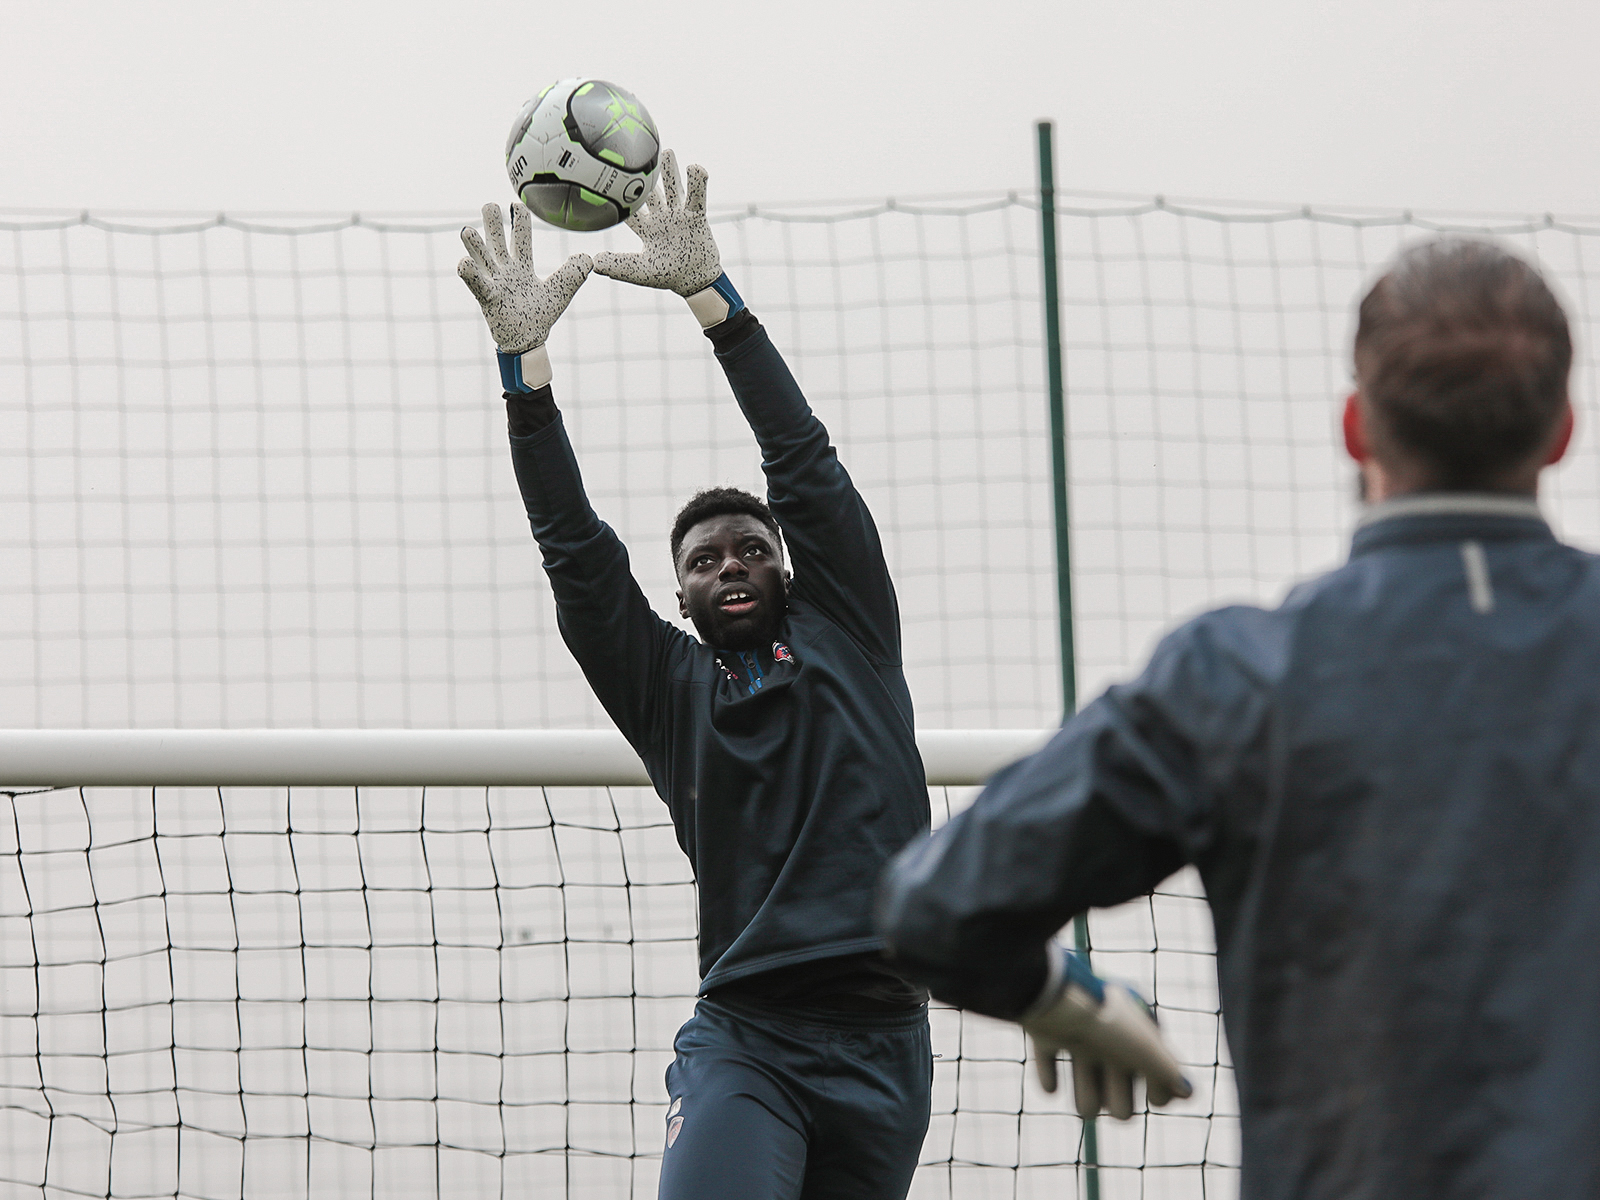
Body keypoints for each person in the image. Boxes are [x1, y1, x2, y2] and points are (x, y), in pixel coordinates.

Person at [877, 236, 1598, 1198]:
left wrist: (1060, 997)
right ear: (1562, 431)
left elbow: (933, 908)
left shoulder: (1241, 677)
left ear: (1356, 427)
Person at [457, 151, 934, 1200]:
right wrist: (524, 375)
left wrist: (715, 303)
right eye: (704, 558)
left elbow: (801, 460)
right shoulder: (672, 693)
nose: (730, 563)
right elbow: (577, 558)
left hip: (887, 1044)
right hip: (749, 1041)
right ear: (678, 597)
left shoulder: (849, 630)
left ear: (788, 567)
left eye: (750, 548)